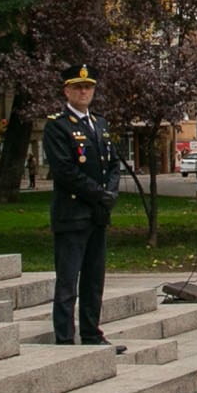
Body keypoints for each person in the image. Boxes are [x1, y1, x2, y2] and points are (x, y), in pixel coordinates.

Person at [40, 65, 119, 345]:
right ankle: (64, 337)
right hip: (72, 215)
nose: (84, 92)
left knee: (93, 280)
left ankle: (91, 333)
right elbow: (64, 171)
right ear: (67, 91)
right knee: (67, 281)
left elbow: (113, 165)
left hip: (96, 215)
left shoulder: (100, 124)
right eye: (78, 87)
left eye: (88, 87)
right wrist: (99, 194)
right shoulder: (57, 126)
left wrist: (110, 192)